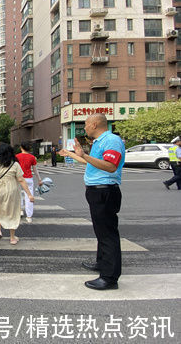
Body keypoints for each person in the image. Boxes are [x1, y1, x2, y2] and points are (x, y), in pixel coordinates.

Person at [59, 113, 125, 290]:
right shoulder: (99, 142)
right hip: (97, 191)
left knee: (107, 234)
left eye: (86, 125)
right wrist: (73, 154)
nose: (85, 128)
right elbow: (91, 163)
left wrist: (85, 155)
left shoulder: (111, 141)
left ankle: (109, 278)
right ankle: (102, 263)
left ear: (95, 124)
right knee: (101, 231)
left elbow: (110, 166)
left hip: (105, 191)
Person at [0, 143, 34, 245]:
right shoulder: (14, 164)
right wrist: (29, 194)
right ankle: (12, 238)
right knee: (12, 212)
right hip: (11, 190)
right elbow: (21, 180)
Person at [16, 142, 43, 223]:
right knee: (29, 196)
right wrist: (39, 179)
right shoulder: (32, 157)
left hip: (18, 178)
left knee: (18, 195)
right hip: (28, 179)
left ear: (21, 148)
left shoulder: (16, 156)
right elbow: (35, 170)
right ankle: (29, 216)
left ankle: (20, 210)